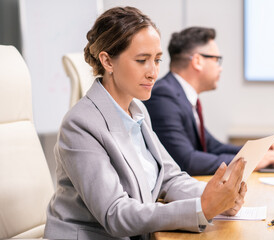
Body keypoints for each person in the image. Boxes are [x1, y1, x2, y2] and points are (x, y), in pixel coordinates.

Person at [44, 7, 248, 240]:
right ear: (107, 61)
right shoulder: (80, 125)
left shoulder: (137, 110)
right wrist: (203, 207)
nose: (153, 72)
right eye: (142, 61)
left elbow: (170, 179)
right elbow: (115, 214)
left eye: (157, 60)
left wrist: (219, 197)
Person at [144, 27, 274, 176]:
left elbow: (214, 147)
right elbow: (187, 160)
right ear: (197, 61)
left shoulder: (182, 96)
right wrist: (247, 161)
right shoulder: (164, 96)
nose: (221, 68)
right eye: (217, 60)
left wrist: (259, 150)